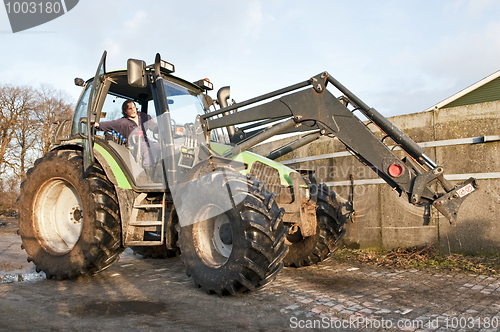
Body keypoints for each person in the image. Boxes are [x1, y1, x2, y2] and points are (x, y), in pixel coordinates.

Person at [95, 99, 159, 168]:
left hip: (147, 142)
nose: (133, 110)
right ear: (125, 111)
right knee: (148, 148)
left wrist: (163, 128)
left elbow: (155, 127)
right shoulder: (123, 122)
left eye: (134, 108)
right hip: (133, 146)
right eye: (130, 109)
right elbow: (109, 124)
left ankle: (160, 171)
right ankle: (148, 170)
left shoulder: (143, 117)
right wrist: (97, 124)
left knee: (162, 147)